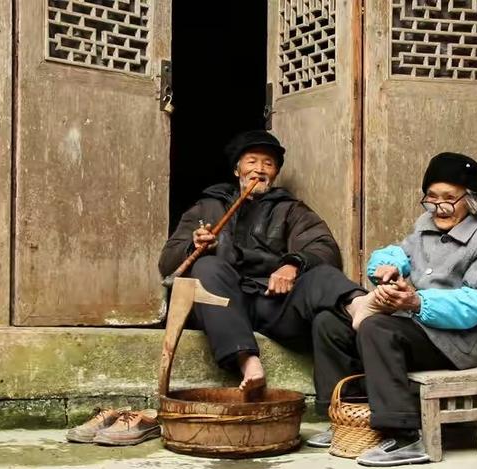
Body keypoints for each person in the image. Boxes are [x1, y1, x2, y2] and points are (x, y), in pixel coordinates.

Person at [307, 152, 477, 467]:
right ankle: (345, 419)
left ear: (471, 200)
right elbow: (400, 252)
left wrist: (417, 302)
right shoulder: (425, 223)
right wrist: (387, 268)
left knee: (375, 328)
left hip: (451, 342)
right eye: (431, 198)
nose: (438, 207)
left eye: (449, 199)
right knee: (328, 322)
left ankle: (405, 436)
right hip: (410, 323)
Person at [158, 130, 378, 392]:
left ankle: (357, 305)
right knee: (206, 267)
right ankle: (247, 360)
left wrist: (292, 264)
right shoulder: (207, 207)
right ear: (237, 170)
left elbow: (324, 248)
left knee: (320, 274)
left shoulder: (290, 209)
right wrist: (194, 246)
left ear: (274, 173)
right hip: (222, 305)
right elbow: (167, 261)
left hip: (272, 302)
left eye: (268, 163)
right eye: (251, 162)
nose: (259, 170)